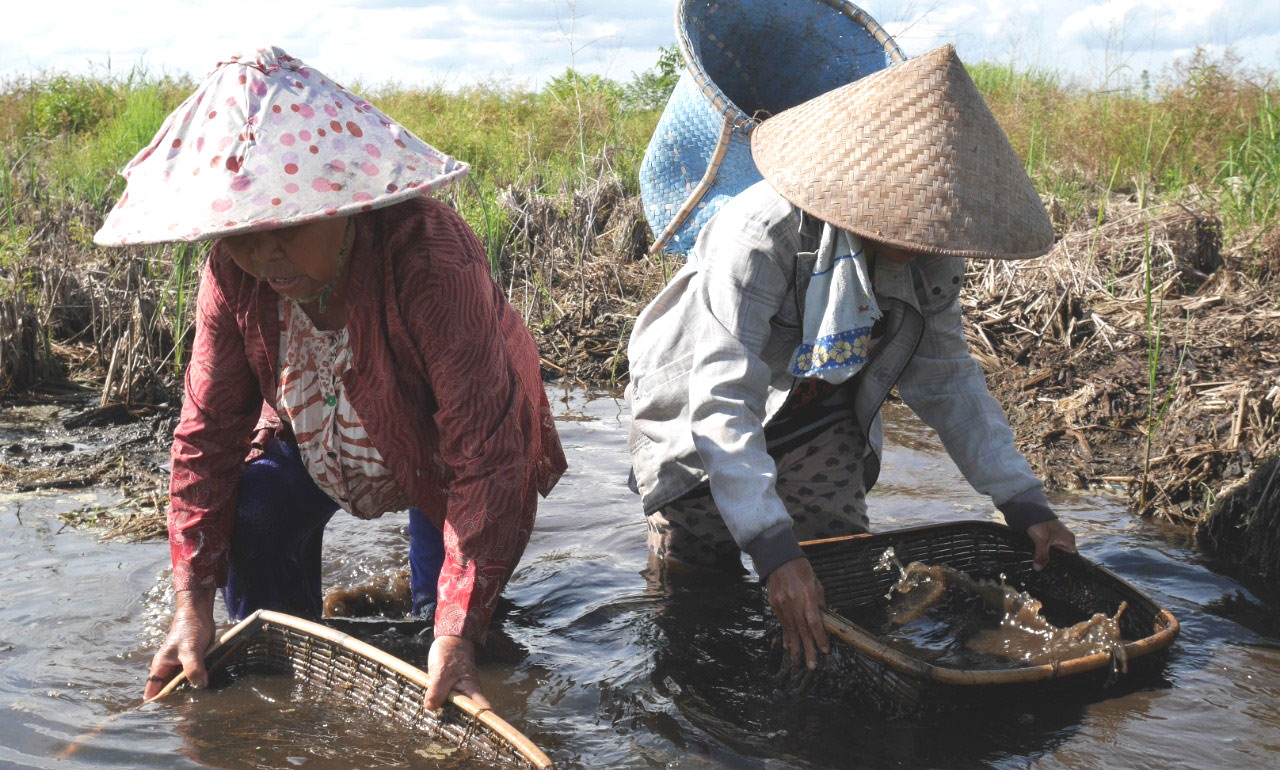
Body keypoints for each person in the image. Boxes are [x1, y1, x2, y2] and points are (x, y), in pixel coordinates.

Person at [93, 46, 567, 710]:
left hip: (444, 447)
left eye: (284, 229)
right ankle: (286, 677)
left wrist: (458, 633)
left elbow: (484, 454)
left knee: (450, 639)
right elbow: (206, 437)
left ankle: (449, 624)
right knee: (255, 516)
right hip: (320, 434)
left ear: (339, 201)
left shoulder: (425, 255)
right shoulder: (233, 274)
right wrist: (192, 603)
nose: (266, 256)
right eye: (244, 236)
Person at [625, 45, 1077, 671]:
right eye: (904, 222)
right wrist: (774, 552)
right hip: (694, 416)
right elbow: (722, 402)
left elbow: (950, 383)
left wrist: (1025, 505)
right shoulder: (758, 234)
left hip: (817, 412)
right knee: (692, 589)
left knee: (836, 587)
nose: (918, 243)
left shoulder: (932, 254)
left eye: (930, 229)